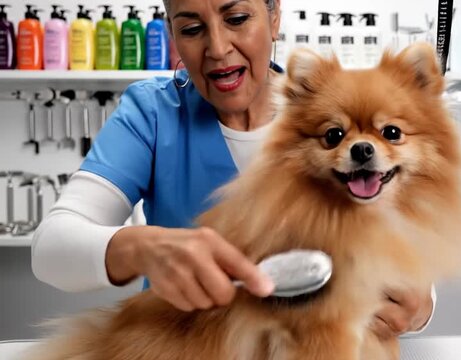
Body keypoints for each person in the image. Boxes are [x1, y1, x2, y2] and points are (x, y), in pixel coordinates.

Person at [32, 0, 436, 340]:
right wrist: (144, 248)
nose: (218, 48)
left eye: (237, 19)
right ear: (172, 34)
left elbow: (408, 235)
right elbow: (50, 248)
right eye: (191, 29)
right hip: (190, 345)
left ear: (274, 15)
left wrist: (422, 304)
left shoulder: (335, 115)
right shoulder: (152, 114)